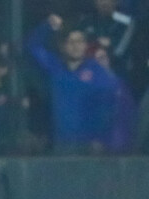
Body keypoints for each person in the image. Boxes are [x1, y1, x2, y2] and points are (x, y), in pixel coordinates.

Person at [27, 14, 117, 155]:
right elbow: (34, 46)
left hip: (90, 145)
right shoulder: (56, 67)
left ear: (86, 45)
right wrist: (47, 26)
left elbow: (108, 106)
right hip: (62, 144)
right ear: (63, 46)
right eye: (71, 42)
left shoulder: (97, 71)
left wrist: (102, 138)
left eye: (80, 41)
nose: (76, 46)